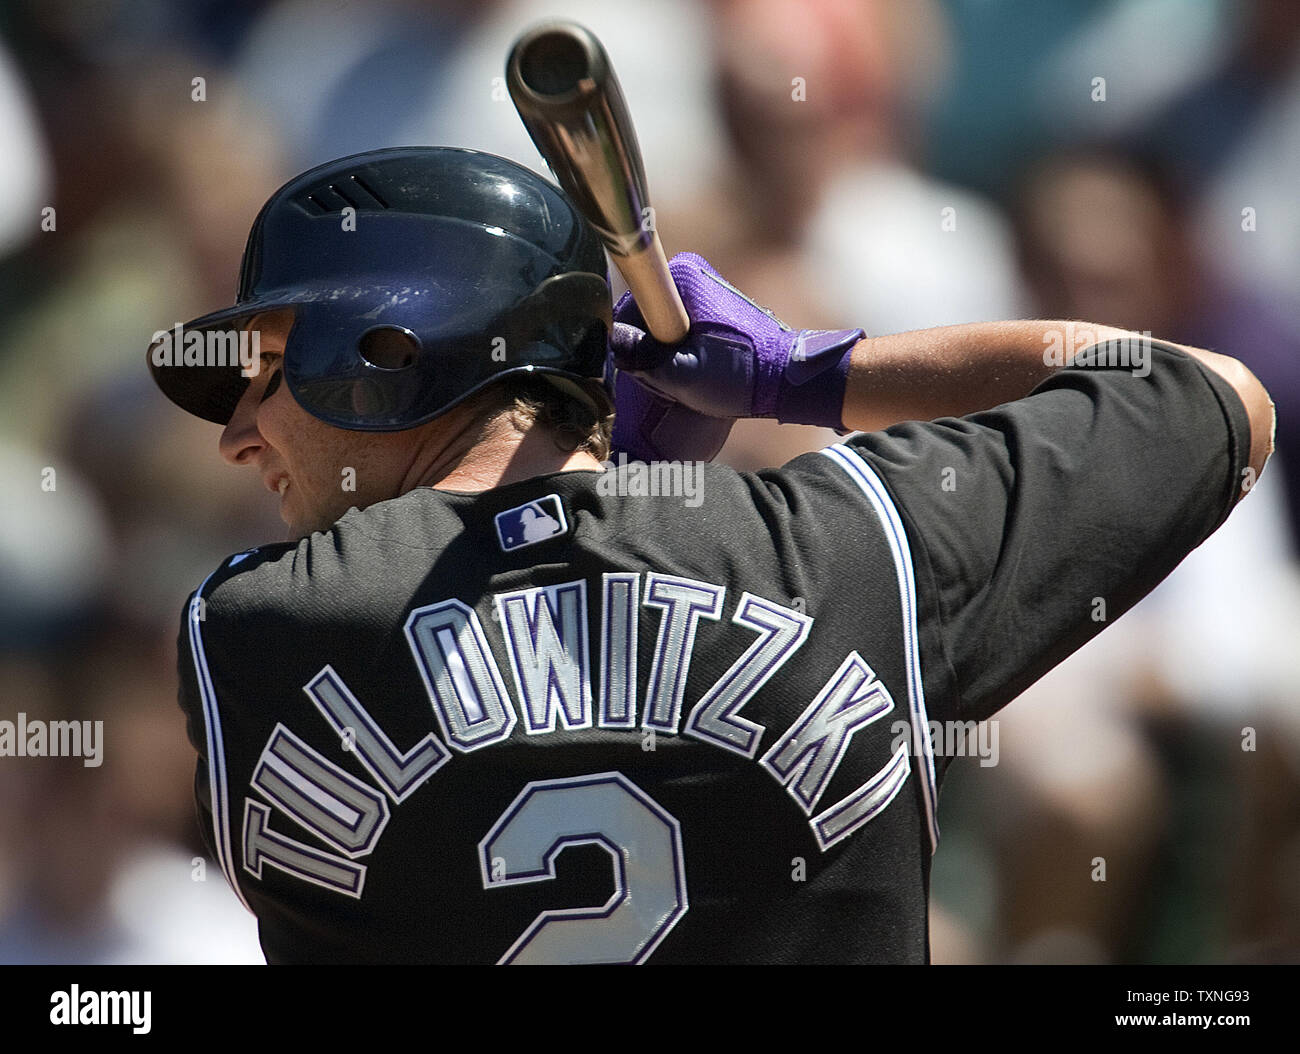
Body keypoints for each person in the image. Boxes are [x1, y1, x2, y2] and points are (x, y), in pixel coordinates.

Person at [148, 146, 1274, 964]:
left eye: (263, 373)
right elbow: (1209, 392)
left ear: (386, 353)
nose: (241, 436)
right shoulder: (846, 547)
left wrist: (612, 498)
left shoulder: (250, 637)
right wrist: (810, 375)